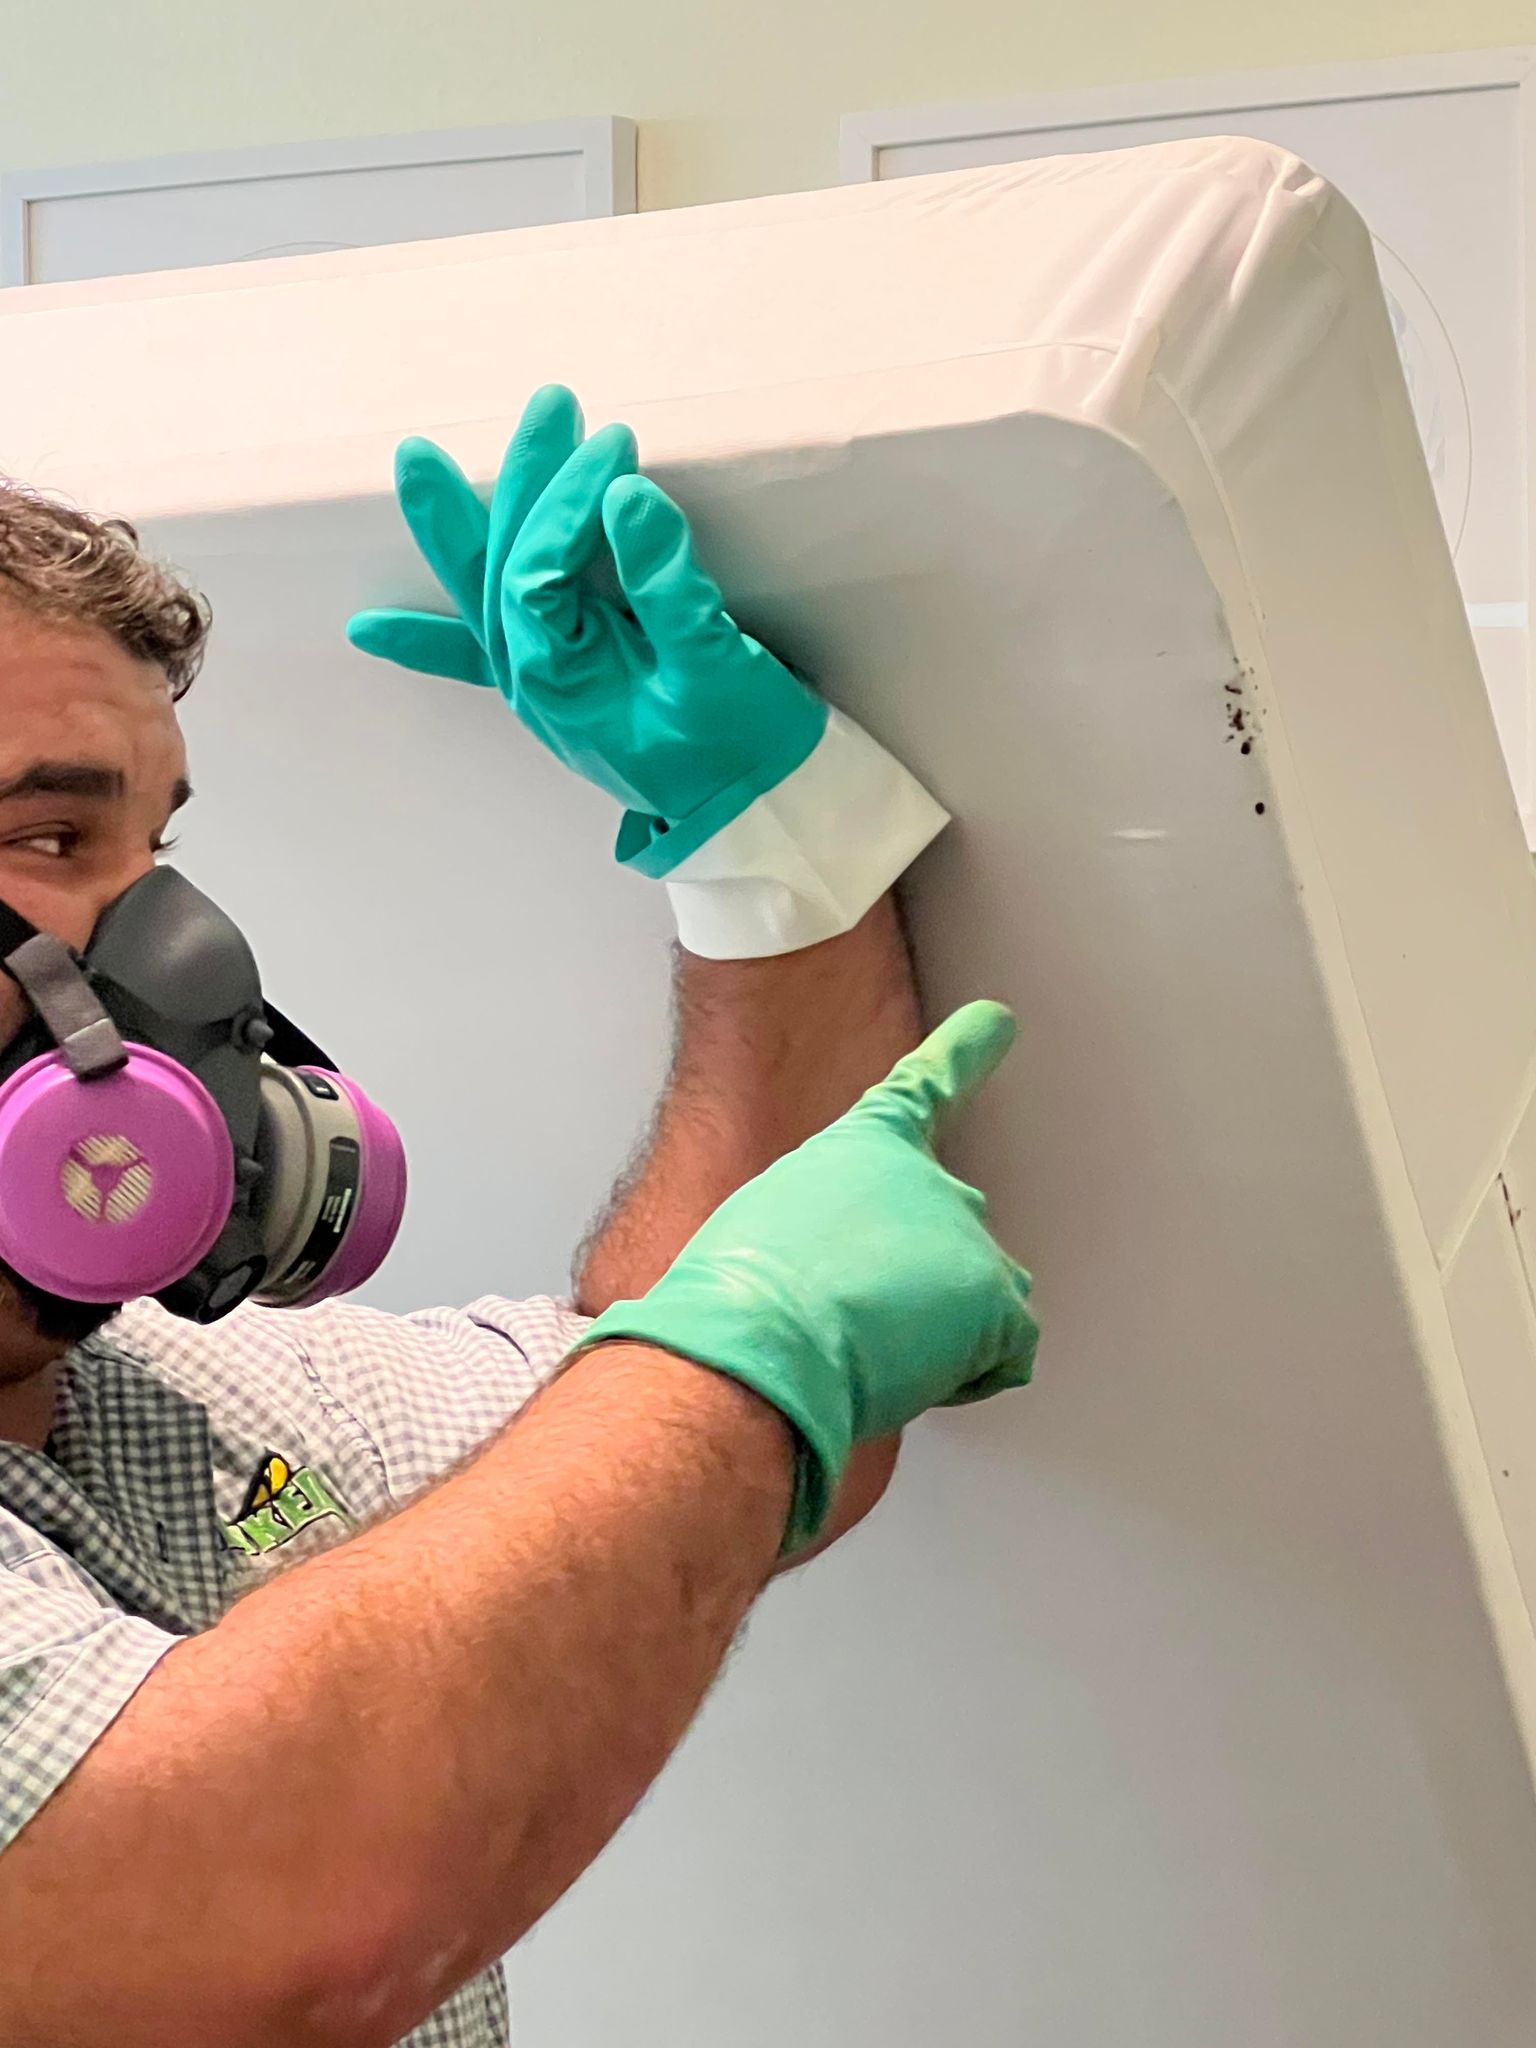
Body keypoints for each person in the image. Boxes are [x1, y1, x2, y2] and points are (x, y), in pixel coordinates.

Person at [0, 386, 1036, 2048]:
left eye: (158, 843)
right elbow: (263, 1919)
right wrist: (746, 1353)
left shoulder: (200, 1409)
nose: (175, 944)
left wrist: (769, 842)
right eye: (52, 838)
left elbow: (647, 1443)